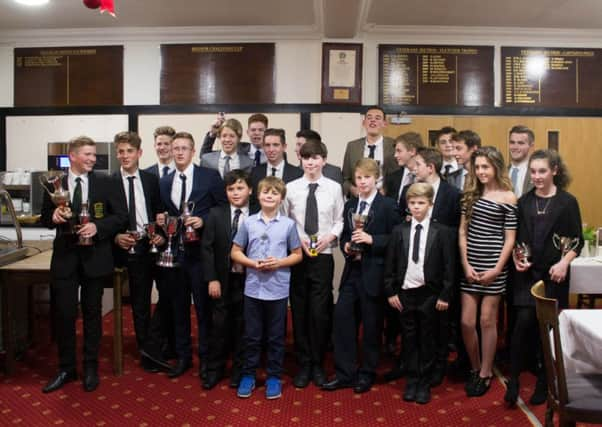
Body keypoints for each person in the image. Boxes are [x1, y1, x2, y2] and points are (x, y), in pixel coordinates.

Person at [41, 136, 128, 393]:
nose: (93, 159)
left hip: (95, 259)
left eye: (94, 155)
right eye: (88, 154)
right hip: (65, 260)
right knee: (65, 315)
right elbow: (45, 218)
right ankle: (66, 368)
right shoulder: (53, 184)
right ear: (73, 156)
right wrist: (54, 216)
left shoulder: (107, 181)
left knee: (93, 315)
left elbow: (121, 216)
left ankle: (90, 367)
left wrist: (97, 227)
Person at [505, 149, 582, 406]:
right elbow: (518, 239)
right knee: (521, 325)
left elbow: (576, 241)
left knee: (548, 330)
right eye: (533, 171)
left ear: (555, 171)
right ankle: (513, 380)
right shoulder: (524, 201)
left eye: (542, 171)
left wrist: (564, 262)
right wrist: (518, 257)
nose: (537, 176)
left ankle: (543, 381)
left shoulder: (567, 202)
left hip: (554, 275)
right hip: (527, 276)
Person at [323, 159, 401, 394]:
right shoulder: (350, 206)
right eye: (359, 178)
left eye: (367, 177)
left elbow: (397, 240)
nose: (363, 182)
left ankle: (367, 373)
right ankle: (345, 373)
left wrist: (373, 240)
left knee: (371, 327)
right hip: (352, 273)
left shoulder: (388, 205)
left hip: (375, 275)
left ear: (376, 178)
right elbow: (345, 235)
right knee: (343, 322)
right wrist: (346, 246)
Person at [157, 132, 227, 380]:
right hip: (175, 255)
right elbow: (164, 214)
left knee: (204, 310)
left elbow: (223, 209)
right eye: (175, 148)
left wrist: (204, 220)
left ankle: (207, 363)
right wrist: (162, 222)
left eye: (184, 148)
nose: (179, 152)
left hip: (201, 256)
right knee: (178, 310)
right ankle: (184, 357)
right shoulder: (164, 182)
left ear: (193, 150)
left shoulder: (209, 177)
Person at [231, 177, 303, 400]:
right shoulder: (249, 223)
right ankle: (248, 375)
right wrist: (252, 263)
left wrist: (278, 263)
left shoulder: (288, 225)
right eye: (265, 192)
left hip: (278, 289)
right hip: (253, 288)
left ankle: (273, 376)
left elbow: (297, 255)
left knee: (275, 337)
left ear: (281, 198)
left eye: (274, 193)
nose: (269, 196)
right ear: (258, 196)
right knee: (252, 336)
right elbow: (235, 251)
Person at [395, 147, 461, 386]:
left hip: (438, 271)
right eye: (412, 203)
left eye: (418, 164)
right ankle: (413, 372)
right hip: (411, 273)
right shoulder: (407, 193)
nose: (414, 168)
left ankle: (435, 370)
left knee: (437, 330)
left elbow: (456, 231)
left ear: (430, 167)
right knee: (412, 332)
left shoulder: (453, 193)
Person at [384, 183, 455, 404]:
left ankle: (424, 382)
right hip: (405, 293)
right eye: (412, 203)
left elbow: (448, 267)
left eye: (421, 203)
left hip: (430, 294)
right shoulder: (399, 231)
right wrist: (390, 291)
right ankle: (412, 379)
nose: (416, 207)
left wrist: (445, 294)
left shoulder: (441, 232)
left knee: (428, 338)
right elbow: (391, 264)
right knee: (409, 338)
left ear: (430, 204)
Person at [285, 139, 344, 388]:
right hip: (299, 255)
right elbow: (285, 221)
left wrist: (329, 237)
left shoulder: (334, 187)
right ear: (300, 159)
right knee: (299, 310)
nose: (310, 162)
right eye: (306, 157)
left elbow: (340, 220)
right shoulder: (290, 188)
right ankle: (304, 363)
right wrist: (298, 241)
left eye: (315, 157)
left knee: (319, 312)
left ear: (324, 160)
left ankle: (318, 363)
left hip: (324, 255)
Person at [459, 146, 517, 397]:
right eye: (478, 167)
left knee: (487, 320)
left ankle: (485, 372)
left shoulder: (509, 197)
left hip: (495, 266)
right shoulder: (469, 194)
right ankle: (474, 367)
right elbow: (462, 233)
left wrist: (497, 269)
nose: (481, 171)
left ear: (496, 167)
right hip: (470, 265)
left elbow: (510, 239)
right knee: (466, 321)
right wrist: (466, 264)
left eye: (486, 166)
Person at [112, 131, 170, 373]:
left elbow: (160, 211)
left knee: (168, 296)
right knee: (140, 303)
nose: (125, 156)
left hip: (153, 247)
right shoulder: (110, 182)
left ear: (139, 153)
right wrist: (115, 237)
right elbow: (103, 216)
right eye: (121, 151)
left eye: (129, 151)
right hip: (130, 251)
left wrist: (161, 233)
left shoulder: (150, 179)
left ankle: (162, 343)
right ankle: (146, 351)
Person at [201, 170, 256, 390]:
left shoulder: (258, 214)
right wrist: (212, 278)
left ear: (250, 190)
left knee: (243, 325)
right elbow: (207, 249)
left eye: (240, 188)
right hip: (222, 280)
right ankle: (214, 369)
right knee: (219, 326)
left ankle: (239, 370)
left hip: (249, 279)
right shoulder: (216, 214)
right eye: (231, 189)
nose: (235, 193)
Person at [341, 106, 397, 197]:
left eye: (377, 118)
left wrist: (386, 190)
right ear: (364, 123)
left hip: (386, 198)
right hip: (359, 198)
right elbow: (345, 178)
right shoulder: (352, 146)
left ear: (384, 124)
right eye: (369, 118)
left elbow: (399, 176)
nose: (373, 121)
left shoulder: (393, 145)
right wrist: (353, 190)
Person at [249, 128, 302, 208]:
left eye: (275, 145)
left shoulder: (297, 174)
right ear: (263, 147)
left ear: (284, 147)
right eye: (267, 145)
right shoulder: (255, 172)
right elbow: (253, 203)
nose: (271, 149)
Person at [201, 113, 269, 166]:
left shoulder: (273, 151)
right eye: (253, 130)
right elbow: (205, 156)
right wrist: (212, 134)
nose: (256, 133)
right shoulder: (238, 147)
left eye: (261, 130)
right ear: (248, 132)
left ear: (267, 132)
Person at [384, 131, 424, 208]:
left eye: (399, 151)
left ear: (412, 151)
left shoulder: (427, 176)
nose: (395, 155)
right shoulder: (392, 177)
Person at [508, 125, 535, 198]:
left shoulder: (536, 173)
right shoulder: (501, 171)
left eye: (520, 143)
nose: (515, 147)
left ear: (531, 146)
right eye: (512, 142)